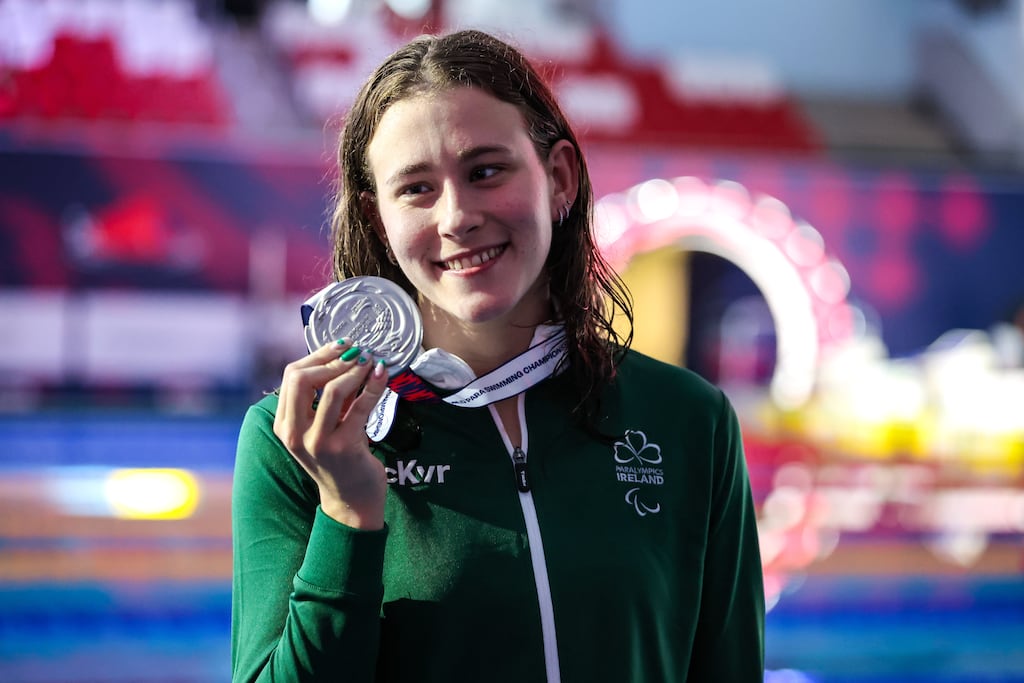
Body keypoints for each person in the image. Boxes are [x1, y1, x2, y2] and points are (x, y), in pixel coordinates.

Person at [231, 28, 764, 683]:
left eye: (486, 171)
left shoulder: (689, 421)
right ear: (378, 221)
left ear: (559, 177)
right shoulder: (298, 441)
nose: (457, 215)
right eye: (417, 189)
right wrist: (348, 511)